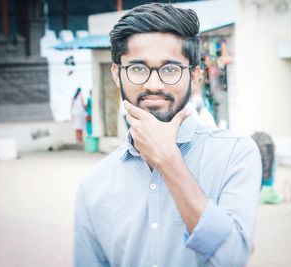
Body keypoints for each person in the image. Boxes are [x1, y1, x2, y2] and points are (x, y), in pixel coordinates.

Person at [74, 3, 262, 267]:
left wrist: (168, 160)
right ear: (117, 74)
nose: (153, 85)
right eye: (138, 68)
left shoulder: (235, 155)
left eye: (170, 69)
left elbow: (231, 258)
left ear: (195, 76)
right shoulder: (93, 186)